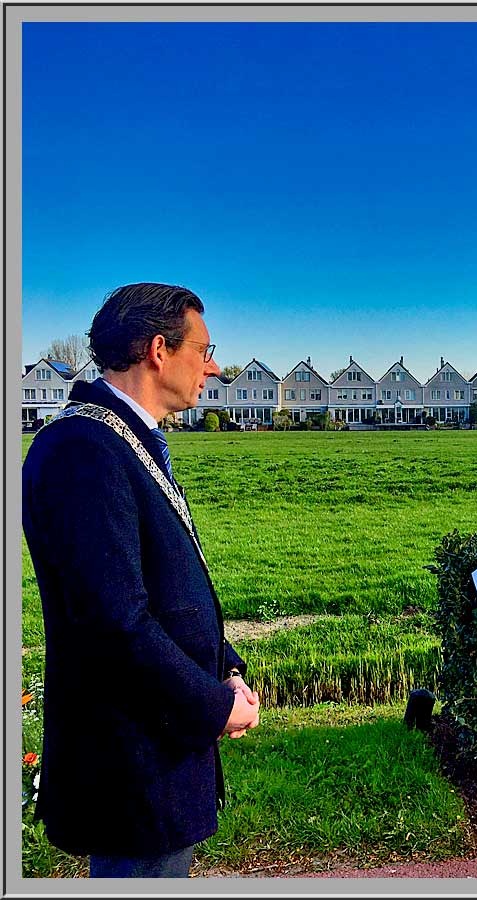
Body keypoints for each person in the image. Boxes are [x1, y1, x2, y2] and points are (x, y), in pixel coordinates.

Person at [22, 283, 261, 878]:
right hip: (132, 766)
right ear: (159, 350)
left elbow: (170, 590)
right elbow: (115, 623)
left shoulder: (121, 439)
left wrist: (226, 669)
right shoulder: (83, 449)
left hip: (157, 755)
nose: (214, 367)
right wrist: (214, 705)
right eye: (203, 350)